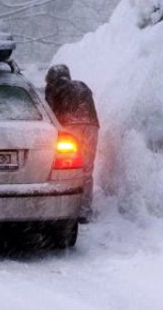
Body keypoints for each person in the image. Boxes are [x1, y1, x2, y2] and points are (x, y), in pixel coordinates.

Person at [45, 64, 100, 223]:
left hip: (69, 127)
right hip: (91, 126)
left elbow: (50, 112)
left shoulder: (53, 88)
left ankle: (65, 208)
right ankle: (84, 211)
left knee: (65, 169)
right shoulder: (82, 85)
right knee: (86, 170)